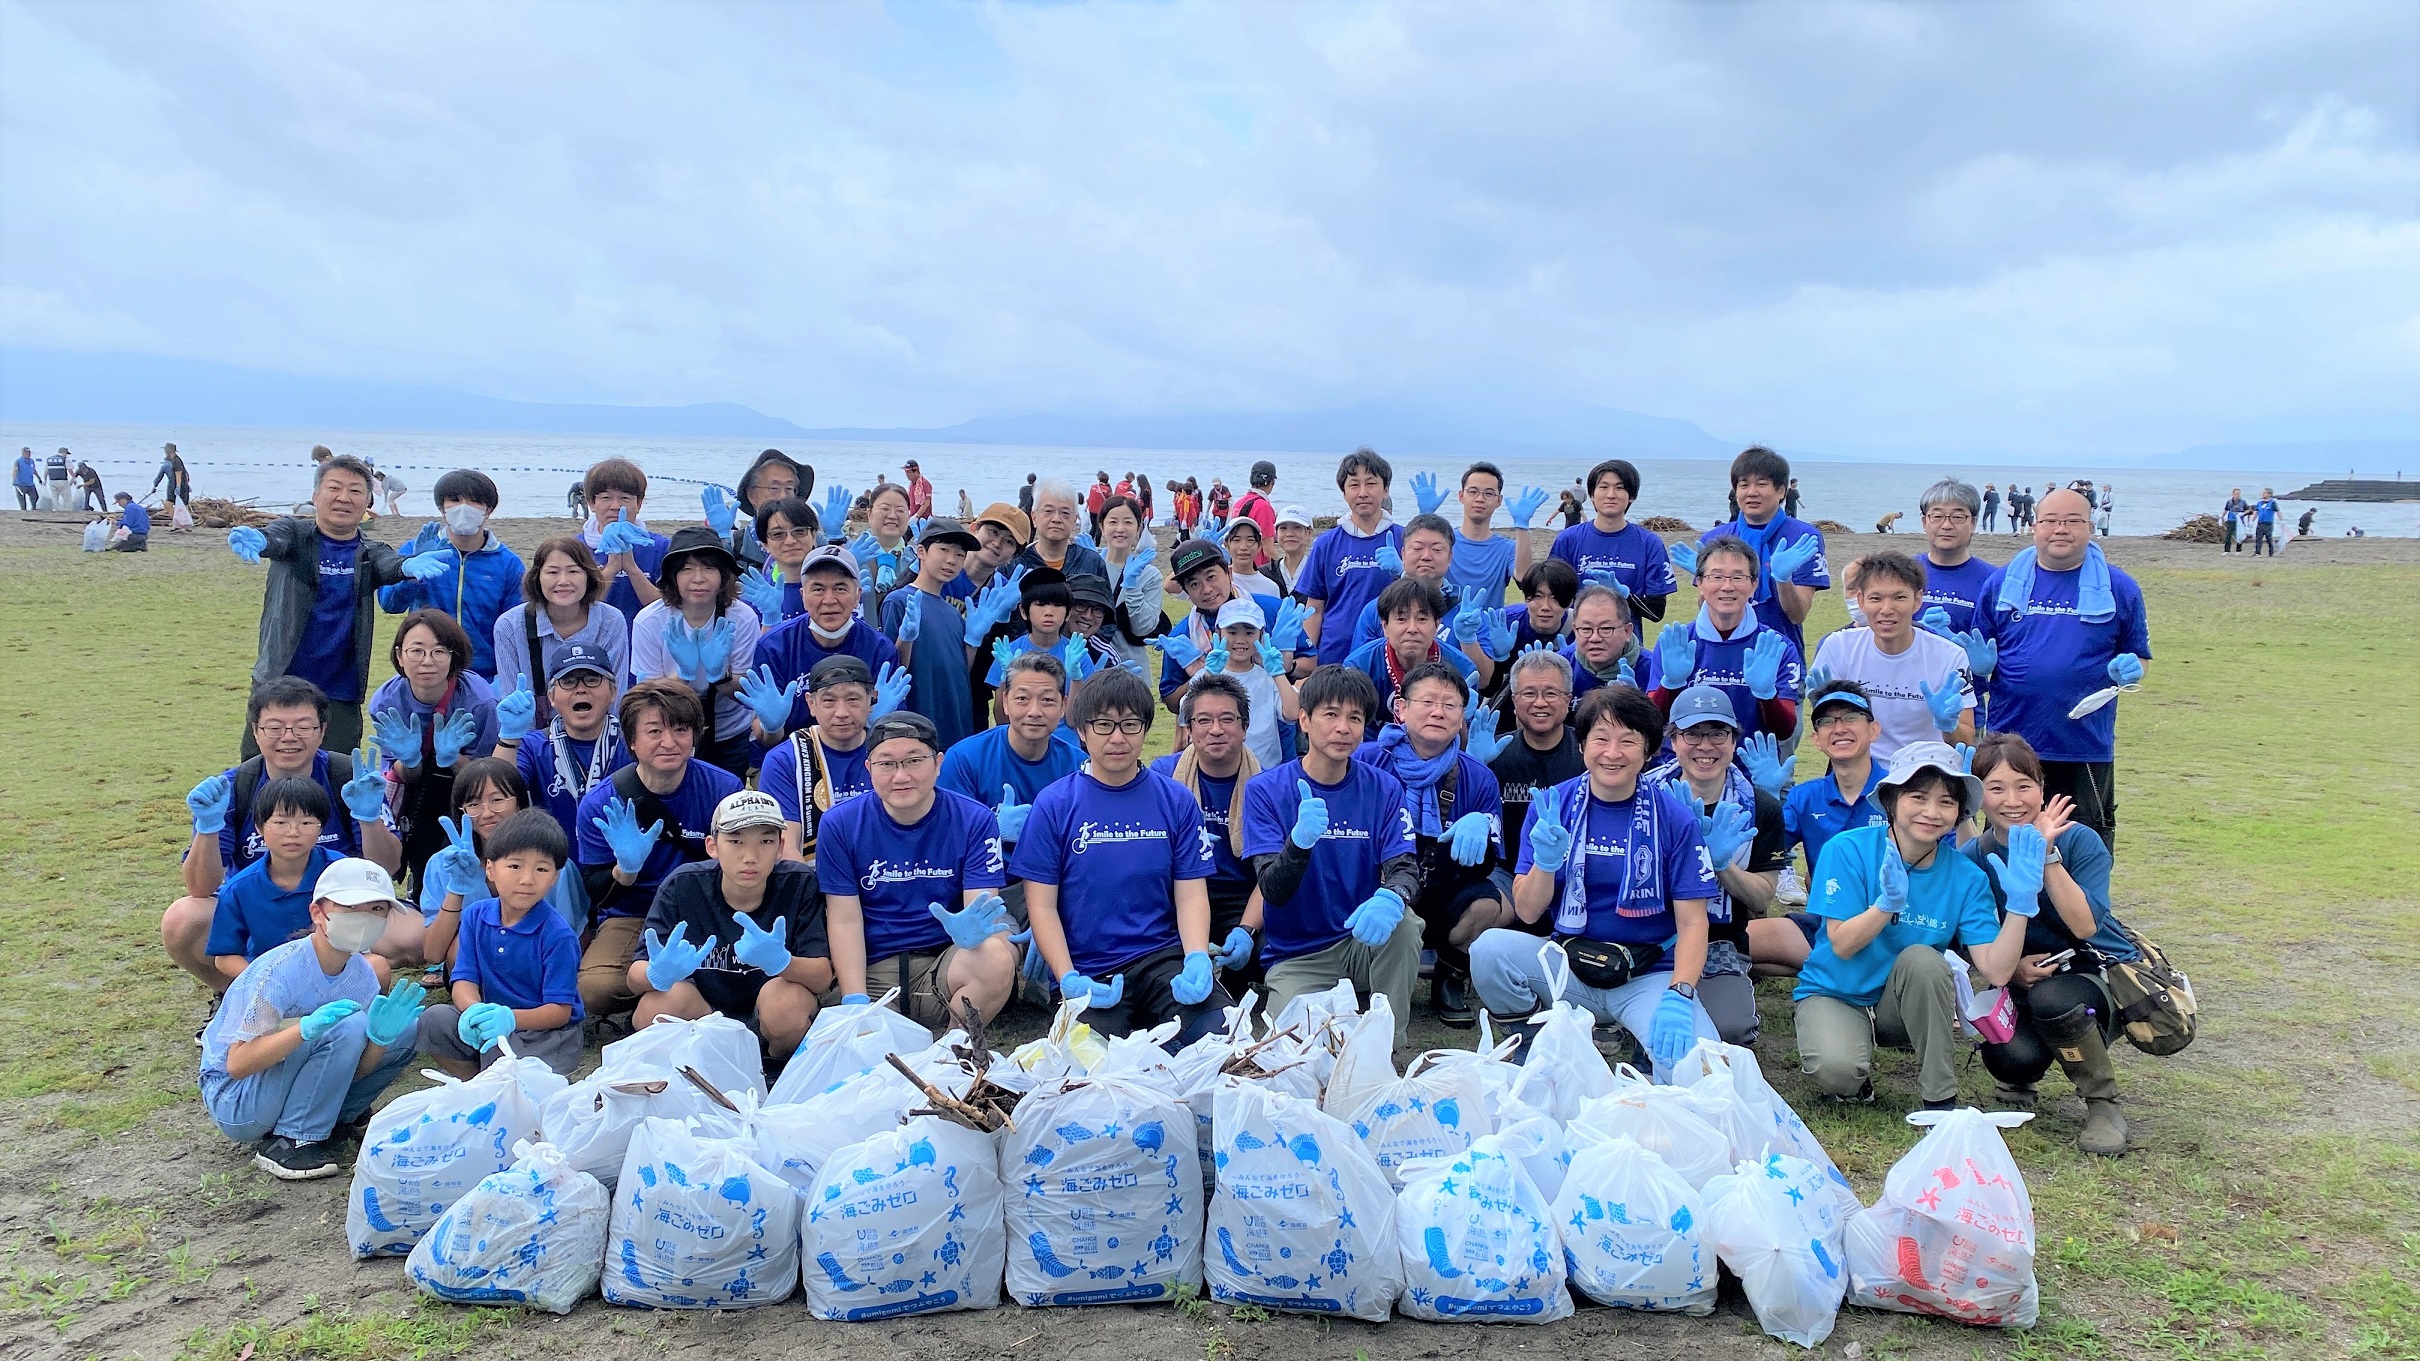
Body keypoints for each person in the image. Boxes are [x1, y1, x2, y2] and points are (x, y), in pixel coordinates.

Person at [1467, 685, 1721, 1082]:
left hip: (1646, 973)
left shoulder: (1674, 819)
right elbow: (1529, 910)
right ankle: (1531, 1041)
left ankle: (1640, 1042)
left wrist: (1681, 993)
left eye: (1628, 741)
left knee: (1699, 1075)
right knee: (1489, 950)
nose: (1612, 752)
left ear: (1649, 750)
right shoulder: (1554, 806)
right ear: (1582, 744)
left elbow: (1693, 923)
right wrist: (1547, 864)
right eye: (1600, 738)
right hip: (1570, 963)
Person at [1792, 742, 2037, 1112]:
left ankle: (1939, 1101)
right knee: (1838, 1072)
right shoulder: (1847, 850)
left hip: (1904, 1003)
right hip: (1836, 990)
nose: (1931, 812)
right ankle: (1854, 1075)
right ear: (1891, 800)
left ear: (1959, 814)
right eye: (1918, 797)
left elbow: (1998, 969)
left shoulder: (1966, 875)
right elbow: (1841, 945)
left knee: (1925, 960)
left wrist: (2020, 907)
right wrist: (1885, 905)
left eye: (1946, 802)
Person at [1016, 669, 1230, 1045]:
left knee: (1221, 1040)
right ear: (1082, 731)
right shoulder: (1054, 804)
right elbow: (1042, 906)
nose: (1117, 737)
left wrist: (1196, 956)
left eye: (1130, 724)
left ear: (1145, 729)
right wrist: (1066, 977)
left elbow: (1192, 892)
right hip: (1088, 968)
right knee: (1092, 1065)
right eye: (1104, 725)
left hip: (1163, 960)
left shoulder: (1175, 800)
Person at [165, 679, 403, 997]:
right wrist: (208, 827)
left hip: (341, 907)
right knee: (183, 920)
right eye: (274, 727)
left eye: (303, 726)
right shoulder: (233, 788)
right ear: (255, 731)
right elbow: (199, 888)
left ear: (321, 730)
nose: (288, 738)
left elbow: (385, 868)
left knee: (411, 937)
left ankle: (339, 995)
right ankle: (238, 995)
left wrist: (369, 818)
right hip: (259, 910)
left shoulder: (351, 778)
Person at [197, 857, 425, 1180]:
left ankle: (337, 1118)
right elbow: (237, 1063)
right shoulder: (280, 970)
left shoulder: (363, 977)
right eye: (353, 907)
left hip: (285, 1081)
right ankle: (291, 1140)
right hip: (237, 1097)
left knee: (406, 1029)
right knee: (348, 1026)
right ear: (318, 913)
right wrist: (303, 1030)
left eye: (378, 910)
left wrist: (379, 1040)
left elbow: (348, 1067)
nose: (366, 918)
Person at [1966, 733, 2135, 1154]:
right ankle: (2024, 1073)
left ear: (2042, 788)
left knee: (2054, 999)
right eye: (1996, 788)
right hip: (2020, 979)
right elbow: (1973, 942)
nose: (2013, 800)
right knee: (2008, 1057)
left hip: (2090, 976)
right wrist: (2014, 971)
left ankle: (2103, 1104)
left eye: (2024, 785)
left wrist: (2047, 856)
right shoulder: (1975, 856)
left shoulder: (2079, 840)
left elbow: (2083, 925)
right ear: (1979, 797)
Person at [1240, 665, 1424, 1040]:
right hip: (1297, 954)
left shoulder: (1383, 787)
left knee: (1404, 924)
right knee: (1296, 1047)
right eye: (1331, 714)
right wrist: (1299, 844)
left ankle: (1387, 1043)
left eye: (1355, 718)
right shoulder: (1265, 790)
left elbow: (1405, 866)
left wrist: (1392, 896)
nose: (1343, 728)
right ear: (1304, 720)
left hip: (1360, 939)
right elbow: (1272, 890)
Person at [1974, 488, 2152, 849]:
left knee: (2082, 843)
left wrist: (2131, 670)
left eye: (2073, 521)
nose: (2061, 529)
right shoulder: (2000, 585)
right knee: (2004, 841)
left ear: (2091, 527)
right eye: (2051, 521)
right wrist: (1980, 668)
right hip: (2010, 744)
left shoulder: (2120, 588)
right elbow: (1976, 659)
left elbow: (2139, 655)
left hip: (2082, 744)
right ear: (2034, 526)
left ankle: (2083, 908)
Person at [227, 454, 440, 755]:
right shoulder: (295, 535)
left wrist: (408, 565)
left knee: (337, 775)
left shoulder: (370, 550)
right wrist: (260, 540)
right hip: (279, 677)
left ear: (367, 503)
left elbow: (388, 564)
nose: (343, 498)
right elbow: (275, 539)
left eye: (355, 491)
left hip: (340, 688)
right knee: (263, 771)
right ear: (315, 495)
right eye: (334, 488)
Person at [819, 711, 1019, 1027]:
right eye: (887, 764)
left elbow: (980, 906)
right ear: (869, 768)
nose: (901, 776)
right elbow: (844, 918)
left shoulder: (974, 819)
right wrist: (855, 999)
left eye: (914, 761)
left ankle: (955, 1049)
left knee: (996, 952)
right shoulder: (839, 824)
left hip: (944, 963)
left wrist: (971, 933)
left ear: (938, 763)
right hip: (872, 967)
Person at [573, 681, 744, 1017]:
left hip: (708, 907)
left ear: (695, 736)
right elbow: (595, 891)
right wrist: (625, 869)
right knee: (595, 989)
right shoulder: (600, 803)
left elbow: (743, 864)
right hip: (635, 914)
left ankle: (682, 992)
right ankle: (664, 985)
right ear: (632, 741)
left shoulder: (725, 788)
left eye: (681, 730)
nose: (669, 742)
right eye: (654, 731)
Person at [630, 790, 832, 1066]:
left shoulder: (799, 884)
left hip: (769, 1017)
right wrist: (658, 973)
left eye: (766, 841)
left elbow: (821, 976)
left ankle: (776, 1068)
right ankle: (692, 1070)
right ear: (712, 846)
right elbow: (634, 977)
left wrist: (781, 962)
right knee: (654, 1008)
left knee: (787, 1004)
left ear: (781, 846)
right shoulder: (683, 885)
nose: (750, 856)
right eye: (735, 841)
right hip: (703, 1013)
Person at [1355, 663, 1507, 1026]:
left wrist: (1483, 828)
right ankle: (1359, 975)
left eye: (1450, 705)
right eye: (1427, 701)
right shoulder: (1366, 761)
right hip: (1375, 889)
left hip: (1441, 888)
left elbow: (1486, 865)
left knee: (1489, 904)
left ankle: (1450, 977)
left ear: (1462, 716)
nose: (1438, 712)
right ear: (1402, 708)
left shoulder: (1479, 776)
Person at [1642, 685, 1792, 1045]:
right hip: (1647, 934)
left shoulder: (1760, 807)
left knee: (1729, 1031)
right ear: (1673, 740)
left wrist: (1720, 864)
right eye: (1692, 733)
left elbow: (1761, 898)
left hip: (1719, 942)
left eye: (1717, 733)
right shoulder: (1643, 796)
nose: (1705, 746)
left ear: (1734, 740)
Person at [416, 808, 586, 1077]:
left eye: (541, 869)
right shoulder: (475, 915)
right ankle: (478, 1082)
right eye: (515, 866)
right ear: (490, 869)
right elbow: (464, 980)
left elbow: (560, 1011)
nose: (527, 879)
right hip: (495, 1025)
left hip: (548, 1035)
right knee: (434, 1020)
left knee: (499, 1051)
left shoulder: (558, 935)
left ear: (554, 877)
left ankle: (499, 1086)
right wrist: (475, 1012)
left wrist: (509, 1019)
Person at [939, 650, 1085, 923]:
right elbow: (945, 841)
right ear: (1004, 701)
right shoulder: (964, 758)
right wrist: (992, 828)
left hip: (1059, 887)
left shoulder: (1079, 767)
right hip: (988, 887)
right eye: (1022, 699)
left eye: (1047, 701)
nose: (1034, 712)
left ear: (1064, 706)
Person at [368, 608, 501, 895]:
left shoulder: (480, 702)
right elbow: (402, 777)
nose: (427, 661)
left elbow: (494, 776)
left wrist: (453, 759)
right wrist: (410, 759)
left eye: (439, 651)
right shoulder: (386, 702)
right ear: (400, 656)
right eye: (416, 651)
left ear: (454, 656)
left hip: (471, 790)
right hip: (419, 793)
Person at [1154, 673, 1268, 993]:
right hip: (1177, 891)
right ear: (1188, 729)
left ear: (1245, 727)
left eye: (1227, 719)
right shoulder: (1162, 777)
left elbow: (1269, 875)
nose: (1215, 730)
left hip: (1239, 897)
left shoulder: (1266, 787)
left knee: (1265, 954)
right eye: (1203, 720)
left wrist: (1246, 929)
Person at [1810, 551, 1975, 763]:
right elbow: (1829, 729)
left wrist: (1948, 725)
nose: (1886, 609)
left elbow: (1966, 739)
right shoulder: (1838, 646)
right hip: (1859, 769)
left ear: (1917, 600)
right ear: (1860, 601)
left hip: (1926, 771)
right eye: (1876, 598)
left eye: (1899, 597)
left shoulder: (1950, 656)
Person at [629, 526, 761, 776]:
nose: (698, 578)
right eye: (686, 569)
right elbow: (645, 697)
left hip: (730, 731)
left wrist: (720, 676)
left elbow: (746, 690)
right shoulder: (649, 621)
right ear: (672, 577)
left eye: (709, 568)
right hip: (671, 733)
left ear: (723, 575)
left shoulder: (742, 617)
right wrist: (683, 676)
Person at [1641, 536, 1801, 742]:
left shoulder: (1776, 647)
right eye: (1716, 577)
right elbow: (1651, 722)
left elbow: (1785, 731)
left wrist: (1767, 696)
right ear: (1699, 583)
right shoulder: (1676, 643)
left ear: (1754, 584)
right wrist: (1670, 684)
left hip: (1751, 766)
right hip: (1683, 766)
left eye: (1738, 577)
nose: (1727, 586)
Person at [199, 778, 347, 987]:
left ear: (321, 828)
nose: (293, 832)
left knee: (376, 966)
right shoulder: (239, 888)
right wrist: (263, 978)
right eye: (280, 823)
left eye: (306, 823)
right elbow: (224, 956)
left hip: (333, 974)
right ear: (259, 828)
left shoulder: (342, 871)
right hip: (269, 982)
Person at [749, 543, 904, 744]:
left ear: (857, 595)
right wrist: (773, 727)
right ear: (803, 596)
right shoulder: (774, 646)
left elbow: (893, 731)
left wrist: (879, 724)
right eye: (818, 589)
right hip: (789, 757)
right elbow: (763, 736)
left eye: (840, 588)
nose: (829, 600)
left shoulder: (879, 649)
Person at [378, 470, 525, 680]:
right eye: (454, 500)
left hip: (485, 676)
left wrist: (503, 678)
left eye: (474, 501)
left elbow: (515, 627)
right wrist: (412, 574)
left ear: (489, 509)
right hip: (426, 671)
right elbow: (389, 603)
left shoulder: (508, 564)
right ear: (441, 508)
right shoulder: (416, 550)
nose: (463, 508)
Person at [1680, 446, 1829, 653]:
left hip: (1779, 653)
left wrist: (1782, 579)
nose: (1751, 492)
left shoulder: (1803, 537)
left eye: (1761, 484)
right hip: (1721, 652)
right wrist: (1706, 581)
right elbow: (1705, 609)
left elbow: (1797, 615)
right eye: (1743, 485)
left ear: (1781, 491)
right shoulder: (1714, 538)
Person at [498, 641, 628, 853]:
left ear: (613, 692)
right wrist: (509, 738)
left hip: (619, 868)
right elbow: (498, 795)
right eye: (568, 681)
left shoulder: (632, 743)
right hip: (553, 869)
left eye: (593, 679)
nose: (581, 689)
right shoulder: (533, 746)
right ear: (552, 697)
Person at [491, 538, 630, 728]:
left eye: (573, 571)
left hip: (596, 731)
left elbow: (615, 695)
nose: (563, 581)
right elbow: (511, 700)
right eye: (552, 572)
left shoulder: (611, 621)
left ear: (588, 576)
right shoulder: (510, 626)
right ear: (537, 577)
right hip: (533, 737)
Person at [756, 655, 879, 864]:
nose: (842, 713)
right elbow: (786, 846)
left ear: (872, 700)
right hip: (813, 876)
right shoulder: (785, 760)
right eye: (829, 701)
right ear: (811, 703)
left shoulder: (889, 754)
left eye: (853, 699)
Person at [879, 517, 981, 749]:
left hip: (956, 726)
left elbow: (960, 671)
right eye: (944, 550)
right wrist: (906, 639)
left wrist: (974, 642)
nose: (950, 560)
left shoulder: (953, 612)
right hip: (918, 726)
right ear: (921, 551)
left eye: (959, 555)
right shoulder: (899, 601)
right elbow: (892, 670)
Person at [1299, 448, 1406, 666]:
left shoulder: (1404, 538)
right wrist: (1307, 659)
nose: (1363, 492)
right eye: (1354, 484)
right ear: (1344, 492)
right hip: (1335, 655)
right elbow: (1315, 609)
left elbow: (1426, 594)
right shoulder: (1326, 543)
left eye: (1371, 483)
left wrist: (1404, 571)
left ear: (1386, 489)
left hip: (1391, 656)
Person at [1158, 537, 1294, 708]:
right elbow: (1171, 701)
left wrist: (1284, 662)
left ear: (1229, 573)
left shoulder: (1271, 610)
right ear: (1186, 592)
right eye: (1194, 584)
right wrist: (1203, 673)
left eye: (1211, 577)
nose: (1206, 589)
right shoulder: (1181, 637)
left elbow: (1310, 663)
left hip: (1276, 728)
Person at [1485, 648, 1583, 880]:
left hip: (1577, 871)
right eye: (1529, 693)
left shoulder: (1588, 752)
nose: (1540, 703)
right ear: (1514, 700)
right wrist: (1476, 763)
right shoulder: (1494, 753)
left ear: (1568, 700)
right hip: (1507, 872)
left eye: (1551, 693)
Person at [1347, 513, 1493, 661]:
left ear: (1450, 556)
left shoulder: (1468, 613)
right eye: (1417, 548)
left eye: (1436, 550)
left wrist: (1467, 639)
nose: (1426, 556)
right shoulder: (1376, 609)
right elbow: (1358, 667)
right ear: (1403, 554)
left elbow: (1484, 678)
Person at [1548, 458, 1676, 625]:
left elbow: (1656, 612)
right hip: (1576, 643)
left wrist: (1623, 596)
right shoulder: (1568, 539)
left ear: (1632, 496)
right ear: (1592, 495)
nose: (1611, 495)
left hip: (1628, 646)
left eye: (1620, 488)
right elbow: (1551, 598)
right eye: (1603, 487)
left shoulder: (1649, 543)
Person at [1190, 597, 1300, 768]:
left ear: (1261, 635)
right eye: (1232, 632)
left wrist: (1278, 673)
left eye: (1249, 633)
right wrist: (1210, 674)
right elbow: (1187, 715)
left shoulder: (1267, 677)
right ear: (1218, 633)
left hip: (1265, 769)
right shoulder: (1205, 676)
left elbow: (1293, 714)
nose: (1240, 640)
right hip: (1219, 767)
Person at [1346, 577, 1486, 709]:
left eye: (1422, 619)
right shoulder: (1359, 667)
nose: (1412, 629)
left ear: (1436, 625)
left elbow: (1465, 733)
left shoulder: (1462, 670)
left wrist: (1460, 715)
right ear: (1385, 626)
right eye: (1401, 619)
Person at [579, 458, 669, 626]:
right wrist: (612, 567)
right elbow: (578, 609)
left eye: (625, 498)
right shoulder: (577, 548)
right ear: (592, 503)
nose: (616, 506)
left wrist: (631, 568)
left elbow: (667, 608)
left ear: (639, 504)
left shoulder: (660, 547)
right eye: (606, 498)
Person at [1443, 461, 1542, 613]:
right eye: (1473, 491)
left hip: (1489, 632)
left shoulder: (1507, 548)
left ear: (1499, 501)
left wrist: (1521, 525)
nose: (1480, 499)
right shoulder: (1444, 542)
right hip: (1444, 632)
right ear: (1461, 496)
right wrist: (1425, 515)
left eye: (1488, 493)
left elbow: (1525, 579)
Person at [1093, 495, 1168, 671]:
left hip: (1132, 669)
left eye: (1128, 522)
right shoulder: (1090, 564)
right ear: (1102, 527)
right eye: (1113, 522)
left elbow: (1143, 628)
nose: (1120, 529)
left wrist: (1132, 586)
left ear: (1138, 528)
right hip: (1089, 664)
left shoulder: (1149, 575)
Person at [1914, 478, 1998, 635]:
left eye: (1958, 517)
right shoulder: (1903, 573)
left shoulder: (1993, 580)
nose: (1946, 525)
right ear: (1925, 522)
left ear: (1973, 523)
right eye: (1937, 516)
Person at [717, 448, 809, 574]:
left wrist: (836, 538)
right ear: (752, 495)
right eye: (774, 488)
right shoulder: (736, 544)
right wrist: (720, 537)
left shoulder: (812, 540)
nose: (783, 496)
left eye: (789, 488)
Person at [736, 495, 821, 624]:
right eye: (778, 534)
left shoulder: (835, 588)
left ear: (814, 535)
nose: (790, 541)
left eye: (799, 531)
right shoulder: (756, 597)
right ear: (765, 544)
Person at [1016, 480, 1111, 585]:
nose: (1056, 519)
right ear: (1034, 518)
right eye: (1048, 511)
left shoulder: (1092, 562)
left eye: (1065, 513)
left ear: (1075, 520)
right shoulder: (1017, 564)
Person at [1560, 583, 1640, 703]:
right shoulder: (1560, 667)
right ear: (1575, 630)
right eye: (1586, 629)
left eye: (1606, 629)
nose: (1595, 638)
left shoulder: (1653, 670)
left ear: (1627, 631)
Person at [1506, 559, 1579, 656]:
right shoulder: (1503, 622)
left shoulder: (1583, 629)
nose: (1545, 607)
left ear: (1570, 601)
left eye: (1555, 598)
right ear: (1526, 597)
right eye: (1538, 596)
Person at [1221, 516, 1284, 598]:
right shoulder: (1220, 582)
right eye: (1236, 540)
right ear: (1226, 545)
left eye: (1250, 540)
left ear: (1259, 546)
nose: (1243, 547)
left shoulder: (1270, 587)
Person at [1230, 459, 1280, 555]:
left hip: (1240, 561)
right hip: (1258, 566)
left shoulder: (1239, 503)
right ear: (1272, 482)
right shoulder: (1263, 507)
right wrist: (1280, 569)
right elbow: (1268, 549)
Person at [1271, 504, 1315, 594]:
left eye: (1297, 527)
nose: (1289, 534)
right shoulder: (1267, 573)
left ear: (1309, 533)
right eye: (1283, 528)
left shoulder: (1319, 572)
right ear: (1276, 533)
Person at [153, 442, 193, 513]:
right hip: (175, 486)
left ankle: (178, 520)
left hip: (179, 487)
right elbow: (158, 478)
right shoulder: (170, 462)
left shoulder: (176, 461)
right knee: (171, 504)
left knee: (177, 505)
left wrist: (178, 487)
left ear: (169, 451)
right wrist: (155, 486)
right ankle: (176, 519)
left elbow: (179, 474)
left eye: (165, 450)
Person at [2253, 486, 2281, 556]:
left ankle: (2271, 552)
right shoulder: (2259, 503)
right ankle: (2257, 552)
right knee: (2258, 538)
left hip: (2268, 523)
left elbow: (2278, 511)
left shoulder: (2273, 503)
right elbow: (2257, 512)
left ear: (2269, 494)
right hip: (2260, 523)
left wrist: (2282, 520)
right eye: (2263, 492)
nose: (2263, 494)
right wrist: (2253, 519)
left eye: (2264, 493)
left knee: (2269, 538)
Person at [2222, 488, 2248, 552]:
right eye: (2236, 494)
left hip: (2239, 521)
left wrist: (2243, 513)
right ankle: (2227, 550)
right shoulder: (2229, 502)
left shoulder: (2243, 502)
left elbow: (2249, 510)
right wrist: (2221, 517)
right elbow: (2226, 510)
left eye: (2238, 494)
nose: (2237, 495)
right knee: (2228, 535)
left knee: (2239, 535)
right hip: (2231, 520)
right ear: (2233, 494)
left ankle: (2238, 550)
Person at [1086, 472, 1112, 536]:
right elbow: (1111, 500)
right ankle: (1097, 544)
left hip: (1091, 509)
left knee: (1093, 526)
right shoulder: (1107, 489)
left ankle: (1089, 540)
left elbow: (1090, 498)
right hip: (1100, 511)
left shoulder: (1093, 487)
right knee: (1099, 528)